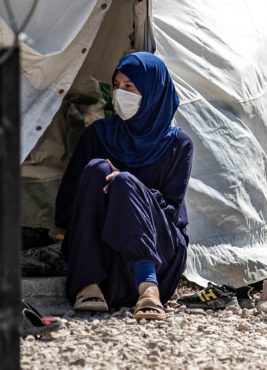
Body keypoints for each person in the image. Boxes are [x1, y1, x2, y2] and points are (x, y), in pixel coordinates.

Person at [55, 52, 193, 320]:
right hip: (99, 253)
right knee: (98, 170)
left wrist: (130, 190)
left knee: (125, 181)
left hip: (160, 252)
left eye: (130, 87)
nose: (120, 94)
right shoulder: (98, 134)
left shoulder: (178, 144)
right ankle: (87, 283)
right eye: (117, 86)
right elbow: (67, 206)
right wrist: (106, 198)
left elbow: (172, 211)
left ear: (154, 90)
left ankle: (148, 286)